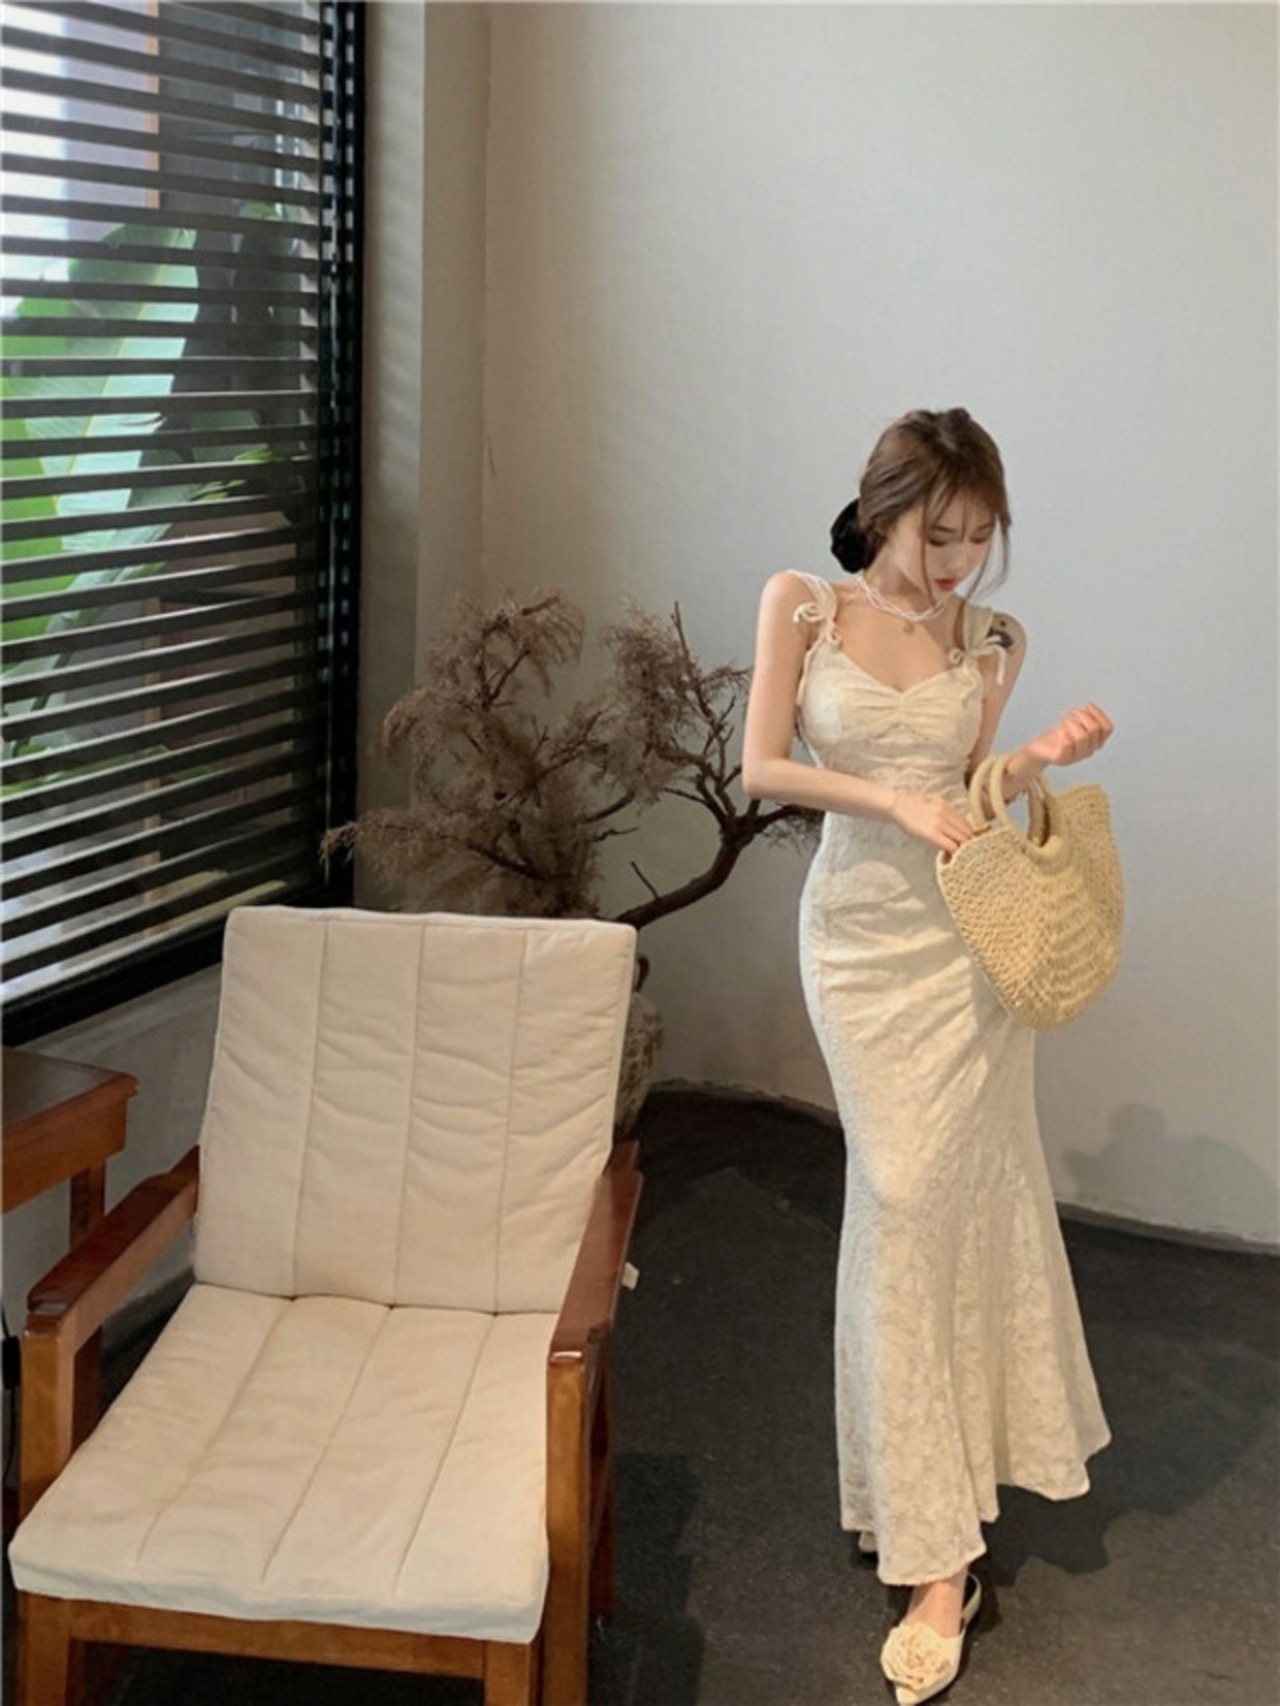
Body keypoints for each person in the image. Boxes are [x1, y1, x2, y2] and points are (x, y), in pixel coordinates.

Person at [741, 407, 1115, 1705]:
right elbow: (762, 765)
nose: (958, 562)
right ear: (884, 509)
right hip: (858, 945)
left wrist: (1035, 757)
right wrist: (889, 798)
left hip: (966, 952)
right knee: (899, 1202)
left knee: (964, 1209)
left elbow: (969, 793)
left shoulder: (990, 639)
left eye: (978, 540)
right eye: (938, 534)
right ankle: (920, 1512)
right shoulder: (803, 607)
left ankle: (942, 1546)